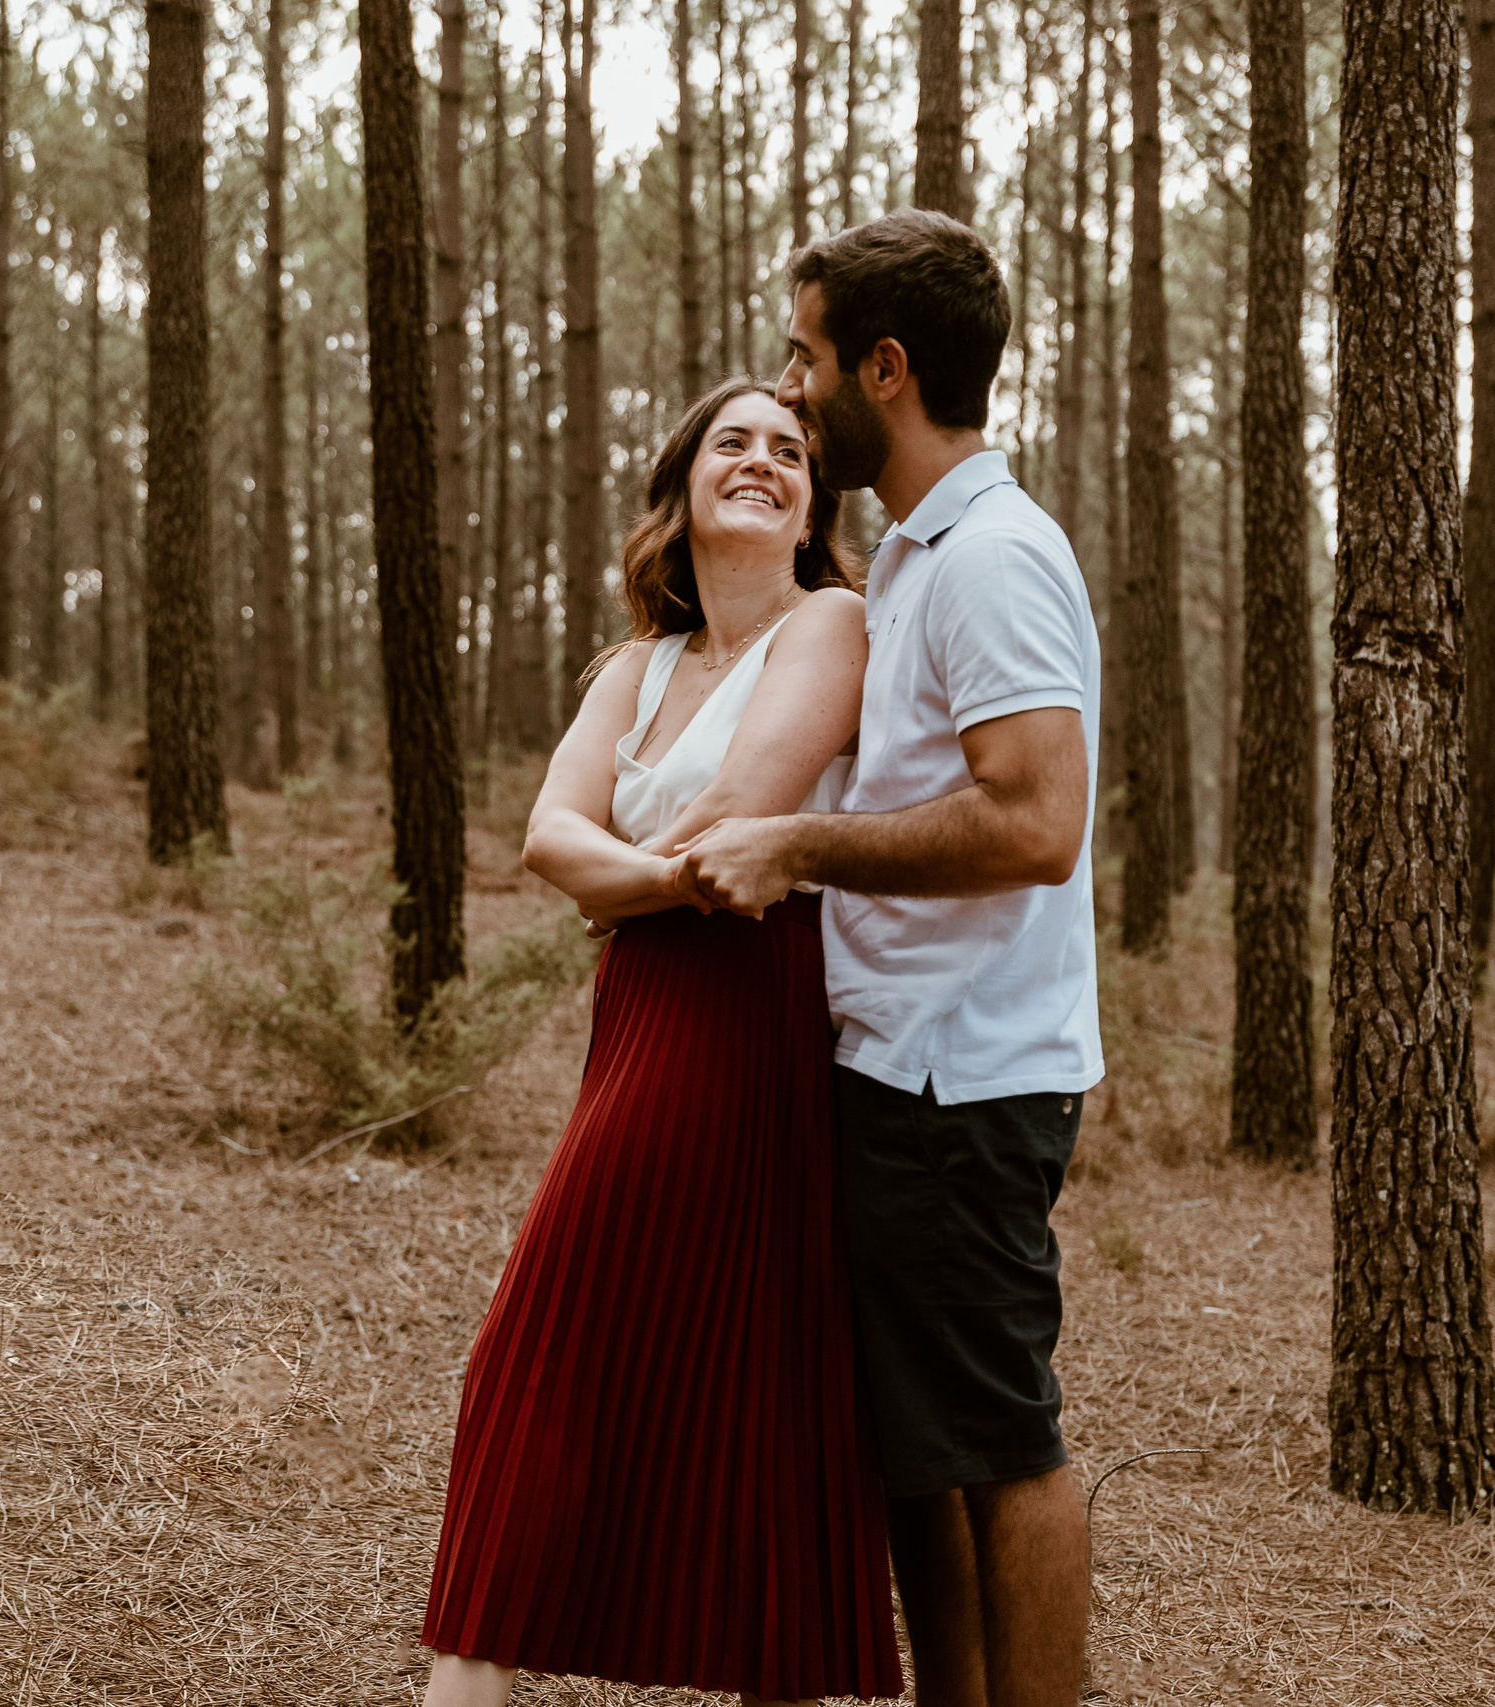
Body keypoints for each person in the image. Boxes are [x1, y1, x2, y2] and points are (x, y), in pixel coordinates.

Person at [418, 377, 902, 1707]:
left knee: (628, 1367)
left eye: (791, 451)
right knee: (576, 1374)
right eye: (732, 443)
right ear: (682, 483)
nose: (763, 461)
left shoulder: (832, 625)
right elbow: (543, 837)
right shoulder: (633, 669)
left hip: (751, 1013)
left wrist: (620, 873)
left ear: (813, 504)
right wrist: (648, 877)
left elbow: (739, 827)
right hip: (641, 1011)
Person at [674, 209, 1103, 1707]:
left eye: (807, 357)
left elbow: (1038, 820)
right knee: (926, 1452)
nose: (791, 391)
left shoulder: (993, 556)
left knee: (1002, 1442)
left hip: (965, 1078)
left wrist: (800, 844)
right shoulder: (919, 557)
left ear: (889, 368)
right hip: (896, 1064)